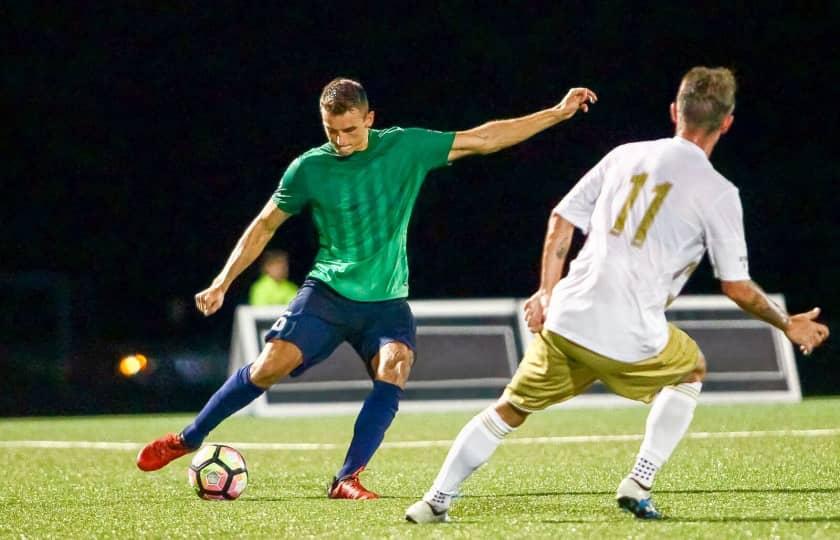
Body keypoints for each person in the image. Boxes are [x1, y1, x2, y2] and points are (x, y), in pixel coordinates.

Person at [136, 77, 598, 499]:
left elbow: (484, 138)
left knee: (395, 366)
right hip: (327, 293)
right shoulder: (308, 168)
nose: (340, 141)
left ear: (370, 119)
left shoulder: (405, 147)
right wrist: (222, 281)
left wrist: (557, 113)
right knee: (268, 367)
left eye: (350, 130)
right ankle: (188, 439)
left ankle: (347, 478)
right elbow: (264, 225)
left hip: (386, 303)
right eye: (331, 131)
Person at [405, 66, 829, 522]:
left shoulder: (625, 155)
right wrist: (787, 323)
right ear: (726, 123)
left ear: (675, 111)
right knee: (690, 371)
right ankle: (639, 480)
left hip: (567, 317)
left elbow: (561, 219)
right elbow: (736, 286)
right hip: (632, 332)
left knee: (508, 409)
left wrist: (546, 292)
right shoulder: (719, 192)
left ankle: (434, 500)